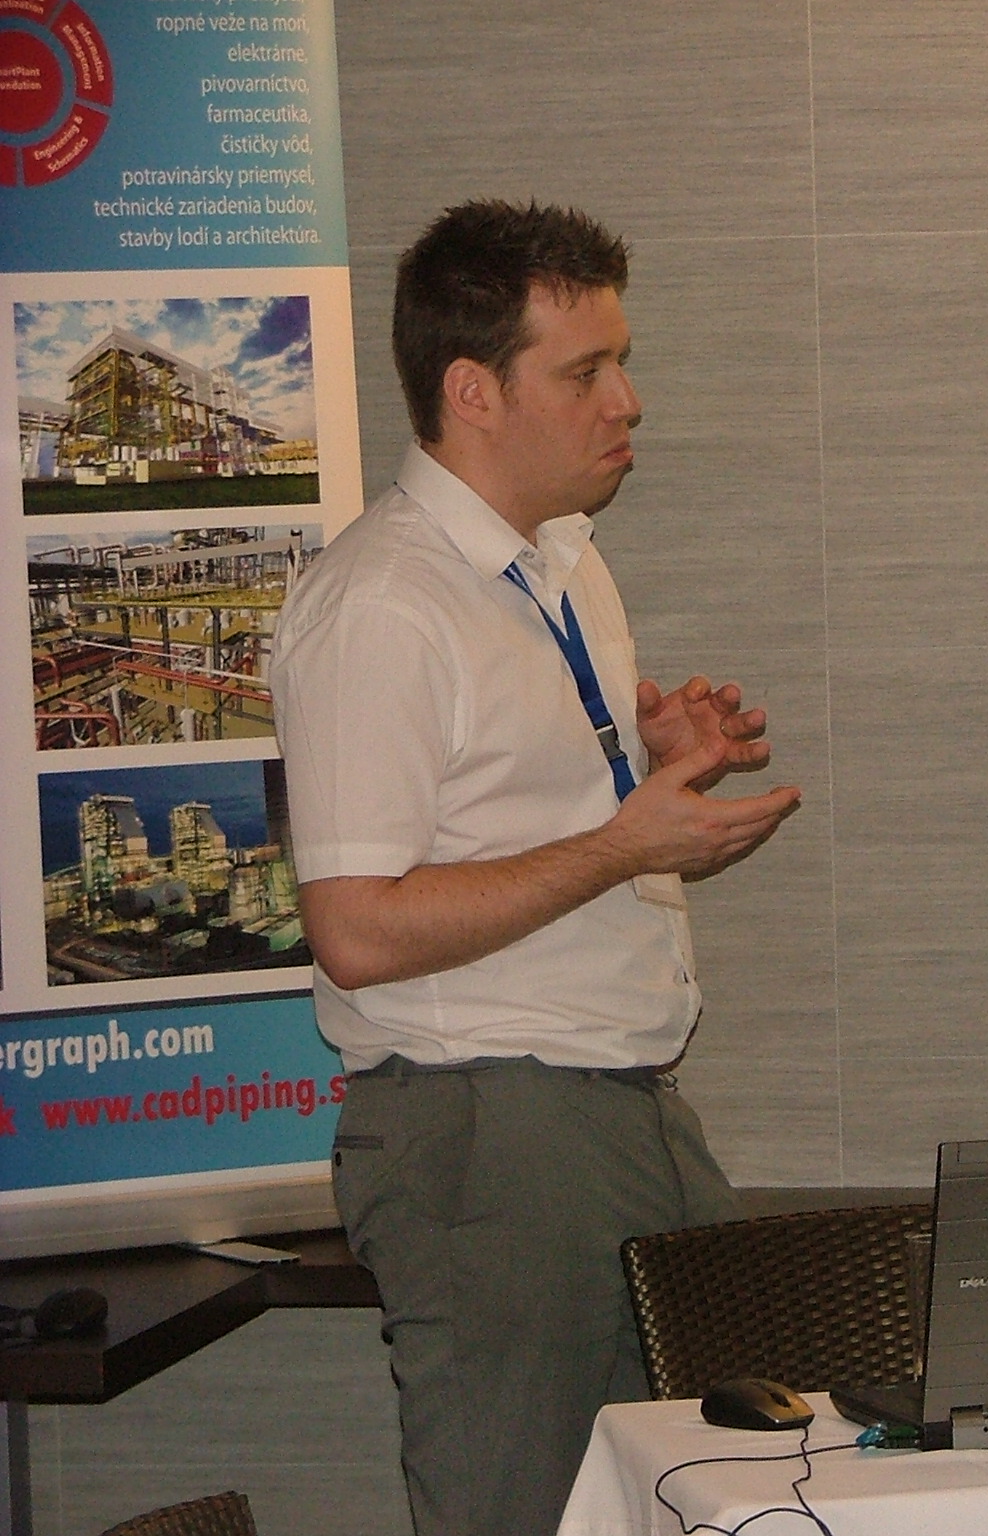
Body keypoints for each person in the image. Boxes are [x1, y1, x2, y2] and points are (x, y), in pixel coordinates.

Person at [271, 200, 802, 1536]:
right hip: (488, 1132)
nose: (628, 400)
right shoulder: (381, 605)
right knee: (520, 1512)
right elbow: (356, 931)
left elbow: (509, 819)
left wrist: (650, 763)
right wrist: (625, 840)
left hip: (619, 1106)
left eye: (621, 361)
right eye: (585, 371)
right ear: (473, 392)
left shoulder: (561, 560)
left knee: (734, 1496)